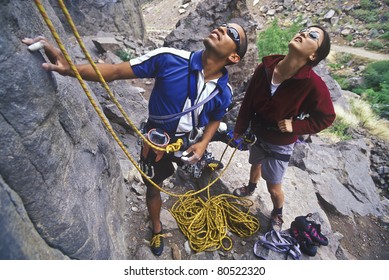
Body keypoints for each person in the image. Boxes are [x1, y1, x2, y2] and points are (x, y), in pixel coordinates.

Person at [23, 22, 248, 256]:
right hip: (156, 142)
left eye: (231, 33)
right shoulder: (169, 59)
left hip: (187, 143)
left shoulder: (224, 92)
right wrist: (69, 67)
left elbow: (215, 117)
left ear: (234, 57)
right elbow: (116, 71)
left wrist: (203, 143)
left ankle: (206, 156)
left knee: (219, 133)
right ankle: (157, 227)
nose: (222, 29)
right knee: (153, 188)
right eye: (222, 26)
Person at [232, 25, 335, 231]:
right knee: (255, 163)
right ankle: (251, 187)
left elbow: (326, 117)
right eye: (305, 30)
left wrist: (295, 126)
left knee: (273, 186)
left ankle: (278, 212)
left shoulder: (313, 85)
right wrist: (239, 129)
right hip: (258, 132)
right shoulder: (265, 68)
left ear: (314, 55)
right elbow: (248, 101)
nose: (304, 33)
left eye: (313, 35)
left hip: (280, 143)